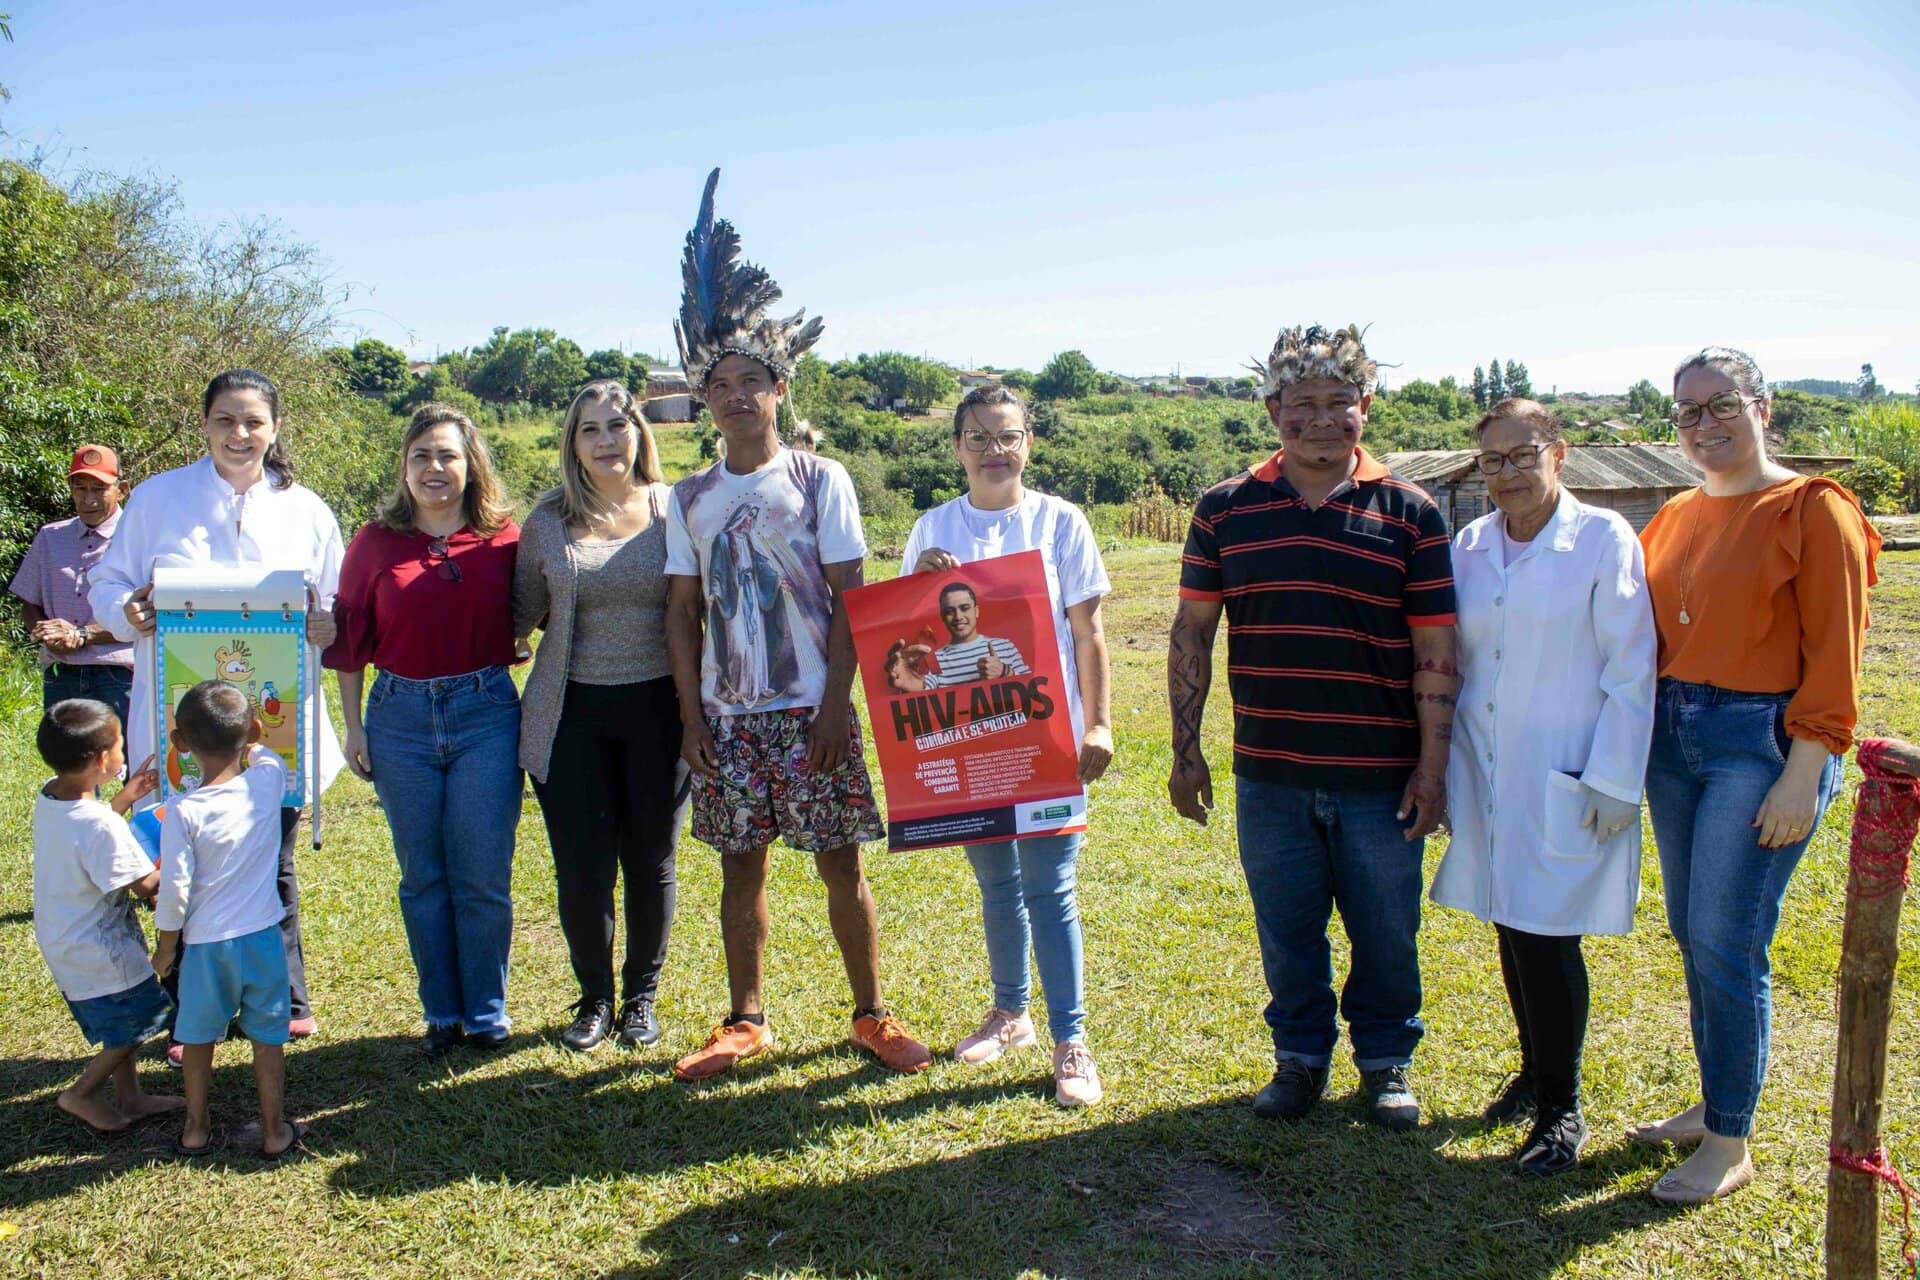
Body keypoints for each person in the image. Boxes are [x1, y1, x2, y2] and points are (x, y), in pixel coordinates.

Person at [663, 168, 929, 1080]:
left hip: (814, 709)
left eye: (754, 381)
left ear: (780, 388)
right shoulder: (690, 496)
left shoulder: (822, 480)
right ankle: (745, 1020)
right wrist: (694, 718)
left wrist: (831, 709)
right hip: (728, 718)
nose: (739, 396)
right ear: (705, 400)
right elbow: (683, 608)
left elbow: (853, 599)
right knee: (741, 868)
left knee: (840, 865)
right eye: (722, 384)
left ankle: (871, 1014)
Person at [1167, 324, 1458, 1131]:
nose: (1322, 421)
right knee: (1288, 931)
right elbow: (1193, 634)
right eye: (1303, 406)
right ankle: (1299, 1059)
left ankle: (1386, 1063)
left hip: (1381, 776)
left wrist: (1432, 770)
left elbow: (1436, 648)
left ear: (1366, 406)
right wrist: (1186, 754)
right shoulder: (1225, 509)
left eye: (1340, 404)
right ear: (1272, 412)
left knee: (1387, 933)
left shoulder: (1412, 512)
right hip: (1270, 772)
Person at [1627, 347, 1878, 1203]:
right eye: (1687, 411)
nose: (1704, 424)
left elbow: (1837, 651)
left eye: (1720, 404)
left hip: (1760, 742)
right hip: (1674, 737)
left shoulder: (1813, 508)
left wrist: (1805, 768)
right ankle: (1714, 1103)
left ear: (1763, 407)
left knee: (1729, 942)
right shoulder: (1672, 515)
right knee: (1693, 932)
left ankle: (1731, 1142)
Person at [1428, 398, 1657, 1174]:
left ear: (1558, 452)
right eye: (1493, 460)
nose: (1509, 473)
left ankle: (1563, 1108)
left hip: (1567, 771)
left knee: (1547, 930)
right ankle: (1533, 1073)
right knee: (1507, 916)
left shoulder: (1600, 539)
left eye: (1523, 455)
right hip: (1486, 767)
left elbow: (1632, 667)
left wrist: (1617, 779)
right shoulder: (1469, 545)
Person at [90, 368, 343, 1042]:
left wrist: (329, 624)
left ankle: (284, 997)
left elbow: (340, 602)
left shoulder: (308, 510)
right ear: (204, 424)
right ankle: (186, 1002)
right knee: (183, 850)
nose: (240, 433)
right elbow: (107, 583)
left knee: (272, 856)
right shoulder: (158, 499)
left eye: (253, 421)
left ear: (275, 428)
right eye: (226, 419)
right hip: (180, 720)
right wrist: (127, 608)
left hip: (274, 722)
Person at [898, 383, 1114, 1107]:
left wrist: (1099, 723)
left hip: (1045, 736)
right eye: (981, 438)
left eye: (1009, 436)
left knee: (1050, 888)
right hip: (966, 742)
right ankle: (1010, 1013)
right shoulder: (932, 529)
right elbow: (909, 647)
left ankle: (1071, 1039)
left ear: (1029, 443)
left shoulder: (1060, 522)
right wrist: (918, 593)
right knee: (996, 886)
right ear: (957, 446)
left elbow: (1088, 633)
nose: (996, 451)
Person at [326, 404, 523, 1056]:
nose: (434, 469)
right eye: (421, 457)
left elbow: (545, 611)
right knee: (423, 875)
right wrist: (354, 728)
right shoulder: (374, 542)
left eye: (447, 456)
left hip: (486, 714)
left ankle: (487, 1010)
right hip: (399, 720)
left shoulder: (505, 539)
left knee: (482, 873)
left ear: (471, 467)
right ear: (404, 468)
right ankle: (442, 1011)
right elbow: (352, 637)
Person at [514, 379, 688, 1053]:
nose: (608, 439)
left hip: (661, 710)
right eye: (591, 429)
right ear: (573, 444)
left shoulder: (675, 509)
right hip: (569, 713)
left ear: (640, 433)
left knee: (651, 860)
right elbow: (516, 614)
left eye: (619, 425)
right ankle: (594, 1000)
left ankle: (640, 1001)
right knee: (583, 869)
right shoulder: (548, 520)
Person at [152, 681, 304, 1158]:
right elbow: (265, 756)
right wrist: (251, 735)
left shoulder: (182, 810)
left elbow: (174, 890)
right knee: (268, 1037)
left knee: (196, 1037)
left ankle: (195, 1128)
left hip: (204, 947)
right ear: (254, 730)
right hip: (262, 940)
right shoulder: (268, 781)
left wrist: (165, 947)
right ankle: (275, 1129)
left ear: (179, 743)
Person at [32, 699, 183, 1132]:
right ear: (103, 760)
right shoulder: (100, 825)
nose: (123, 753)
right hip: (100, 947)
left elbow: (91, 829)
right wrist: (185, 853)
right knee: (139, 1022)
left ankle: (131, 1097)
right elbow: (147, 886)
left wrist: (122, 799)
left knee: (121, 1021)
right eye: (119, 746)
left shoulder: (52, 794)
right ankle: (82, 1093)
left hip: (67, 935)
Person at [8, 445, 137, 727]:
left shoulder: (139, 538)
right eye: (80, 488)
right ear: (70, 488)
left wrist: (82, 635)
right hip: (61, 671)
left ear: (122, 489)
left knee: (123, 760)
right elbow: (30, 602)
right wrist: (43, 631)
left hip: (118, 673)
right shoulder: (50, 537)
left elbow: (146, 611)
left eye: (99, 488)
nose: (89, 499)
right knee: (66, 759)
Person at [883, 581, 1031, 693]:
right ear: (942, 617)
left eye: (964, 608)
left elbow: (1035, 688)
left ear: (976, 611)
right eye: (949, 611)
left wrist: (1005, 672)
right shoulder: (934, 659)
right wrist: (909, 682)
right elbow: (924, 688)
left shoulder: (1005, 646)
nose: (958, 617)